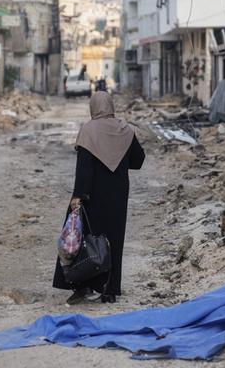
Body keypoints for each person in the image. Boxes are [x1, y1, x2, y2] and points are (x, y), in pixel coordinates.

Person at [53, 91, 145, 304]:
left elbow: (84, 168)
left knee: (85, 238)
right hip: (118, 193)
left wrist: (78, 195)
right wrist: (118, 161)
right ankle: (110, 290)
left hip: (92, 194)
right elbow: (138, 160)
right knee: (114, 240)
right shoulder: (125, 129)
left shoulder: (88, 131)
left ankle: (84, 285)